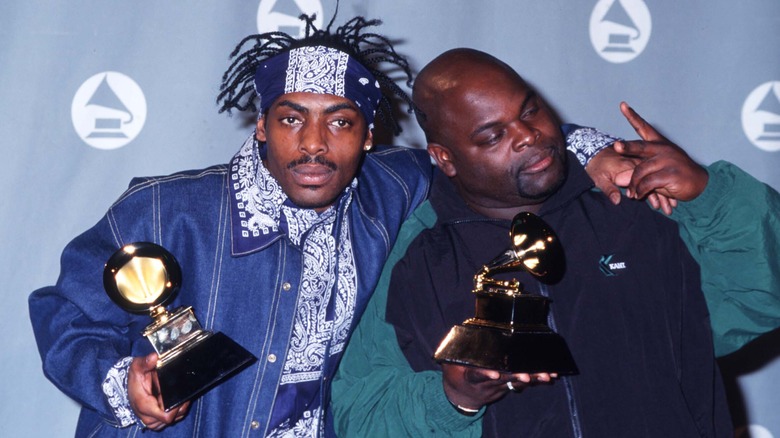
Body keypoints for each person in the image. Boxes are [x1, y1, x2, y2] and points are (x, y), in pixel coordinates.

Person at [331, 48, 780, 437]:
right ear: (444, 158)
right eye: (493, 135)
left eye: (530, 111)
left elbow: (758, 301)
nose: (528, 135)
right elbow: (363, 415)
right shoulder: (415, 258)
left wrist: (710, 195)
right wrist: (454, 397)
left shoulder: (637, 203)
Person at [28, 15, 434, 437]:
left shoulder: (388, 191)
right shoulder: (167, 208)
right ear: (262, 125)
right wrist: (124, 384)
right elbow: (64, 313)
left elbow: (463, 160)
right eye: (291, 119)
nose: (314, 143)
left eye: (340, 122)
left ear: (368, 135)